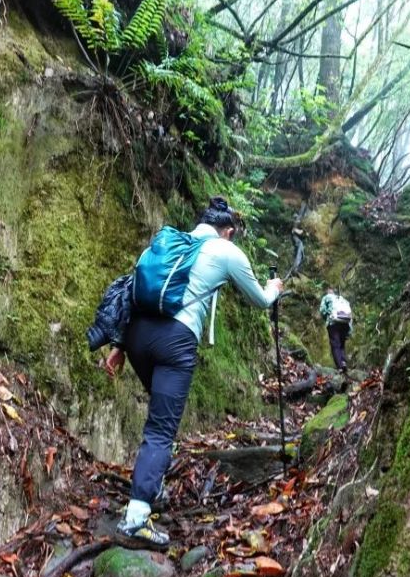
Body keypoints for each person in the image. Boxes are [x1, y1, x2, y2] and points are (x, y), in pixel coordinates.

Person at [103, 197, 283, 548]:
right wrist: (274, 290)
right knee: (161, 428)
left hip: (137, 335)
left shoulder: (166, 243)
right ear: (227, 231)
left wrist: (119, 346)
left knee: (159, 413)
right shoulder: (226, 251)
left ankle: (151, 485)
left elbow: (133, 291)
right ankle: (136, 519)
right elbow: (260, 300)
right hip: (175, 342)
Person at [319, 287, 352, 372]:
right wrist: (349, 331)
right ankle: (343, 362)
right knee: (341, 345)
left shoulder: (326, 297)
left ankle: (340, 367)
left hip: (334, 323)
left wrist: (327, 317)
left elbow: (322, 310)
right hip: (345, 323)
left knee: (335, 345)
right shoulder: (342, 300)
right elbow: (350, 316)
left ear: (328, 291)